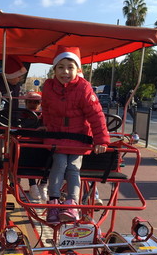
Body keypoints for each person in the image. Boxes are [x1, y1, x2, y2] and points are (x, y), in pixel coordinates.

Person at [41, 45, 110, 223]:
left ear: (77, 69)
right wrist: (47, 125)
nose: (65, 71)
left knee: (73, 167)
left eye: (70, 67)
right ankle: (53, 203)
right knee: (59, 163)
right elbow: (47, 110)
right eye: (61, 67)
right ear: (54, 69)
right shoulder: (48, 87)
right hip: (57, 137)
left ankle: (72, 204)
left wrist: (101, 140)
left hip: (78, 138)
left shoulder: (83, 88)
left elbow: (96, 114)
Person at [24, 91, 48, 202]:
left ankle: (43, 184)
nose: (33, 104)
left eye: (36, 102)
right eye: (30, 102)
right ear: (26, 103)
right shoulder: (20, 116)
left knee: (53, 153)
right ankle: (33, 185)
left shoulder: (46, 118)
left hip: (42, 150)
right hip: (26, 150)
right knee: (27, 151)